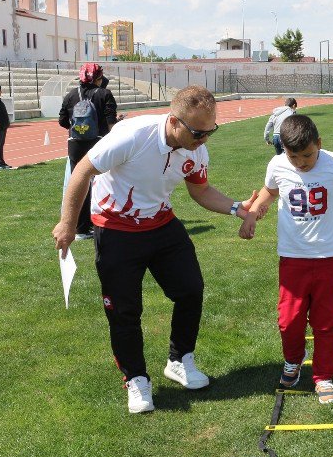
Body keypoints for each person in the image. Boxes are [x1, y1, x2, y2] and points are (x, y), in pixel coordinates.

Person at [52, 86, 264, 414]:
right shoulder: (133, 136)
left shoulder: (195, 150)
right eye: (197, 132)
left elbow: (201, 191)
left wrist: (238, 208)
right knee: (124, 311)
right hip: (115, 228)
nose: (204, 139)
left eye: (210, 131)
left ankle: (180, 361)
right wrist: (68, 223)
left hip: (161, 224)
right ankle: (136, 379)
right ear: (174, 121)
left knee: (190, 289)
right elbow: (82, 171)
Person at [239, 115, 333, 405]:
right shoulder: (278, 164)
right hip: (293, 258)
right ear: (283, 150)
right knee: (289, 321)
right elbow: (269, 192)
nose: (302, 162)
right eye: (294, 156)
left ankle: (323, 376)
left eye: (307, 155)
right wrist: (253, 215)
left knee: (325, 322)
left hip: (330, 257)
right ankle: (294, 359)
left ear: (319, 143)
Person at [59, 63, 119, 240]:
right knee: (102, 182)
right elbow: (110, 122)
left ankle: (80, 226)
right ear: (99, 78)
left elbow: (62, 121)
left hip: (75, 144)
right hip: (98, 143)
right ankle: (102, 220)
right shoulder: (104, 94)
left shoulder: (71, 95)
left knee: (79, 181)